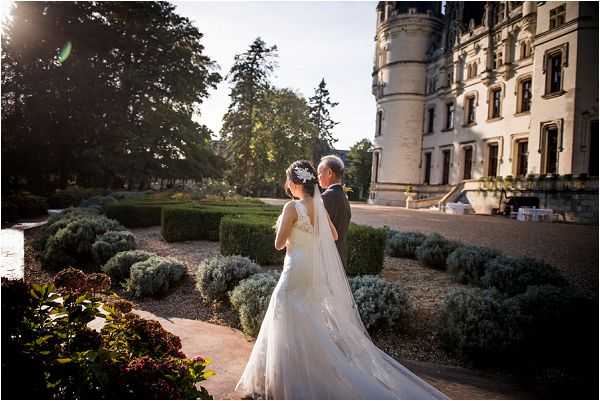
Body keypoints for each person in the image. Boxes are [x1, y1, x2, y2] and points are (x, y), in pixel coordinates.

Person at [234, 160, 449, 400]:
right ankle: (308, 374)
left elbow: (278, 244)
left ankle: (285, 378)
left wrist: (288, 233)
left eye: (288, 180)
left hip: (295, 269)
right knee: (309, 319)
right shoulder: (319, 207)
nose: (287, 184)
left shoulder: (292, 208)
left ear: (295, 182)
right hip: (312, 271)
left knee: (285, 315)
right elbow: (333, 235)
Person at [317, 154, 351, 269]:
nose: (318, 177)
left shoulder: (326, 197)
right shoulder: (343, 197)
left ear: (330, 173)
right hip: (339, 257)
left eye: (319, 173)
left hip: (326, 260)